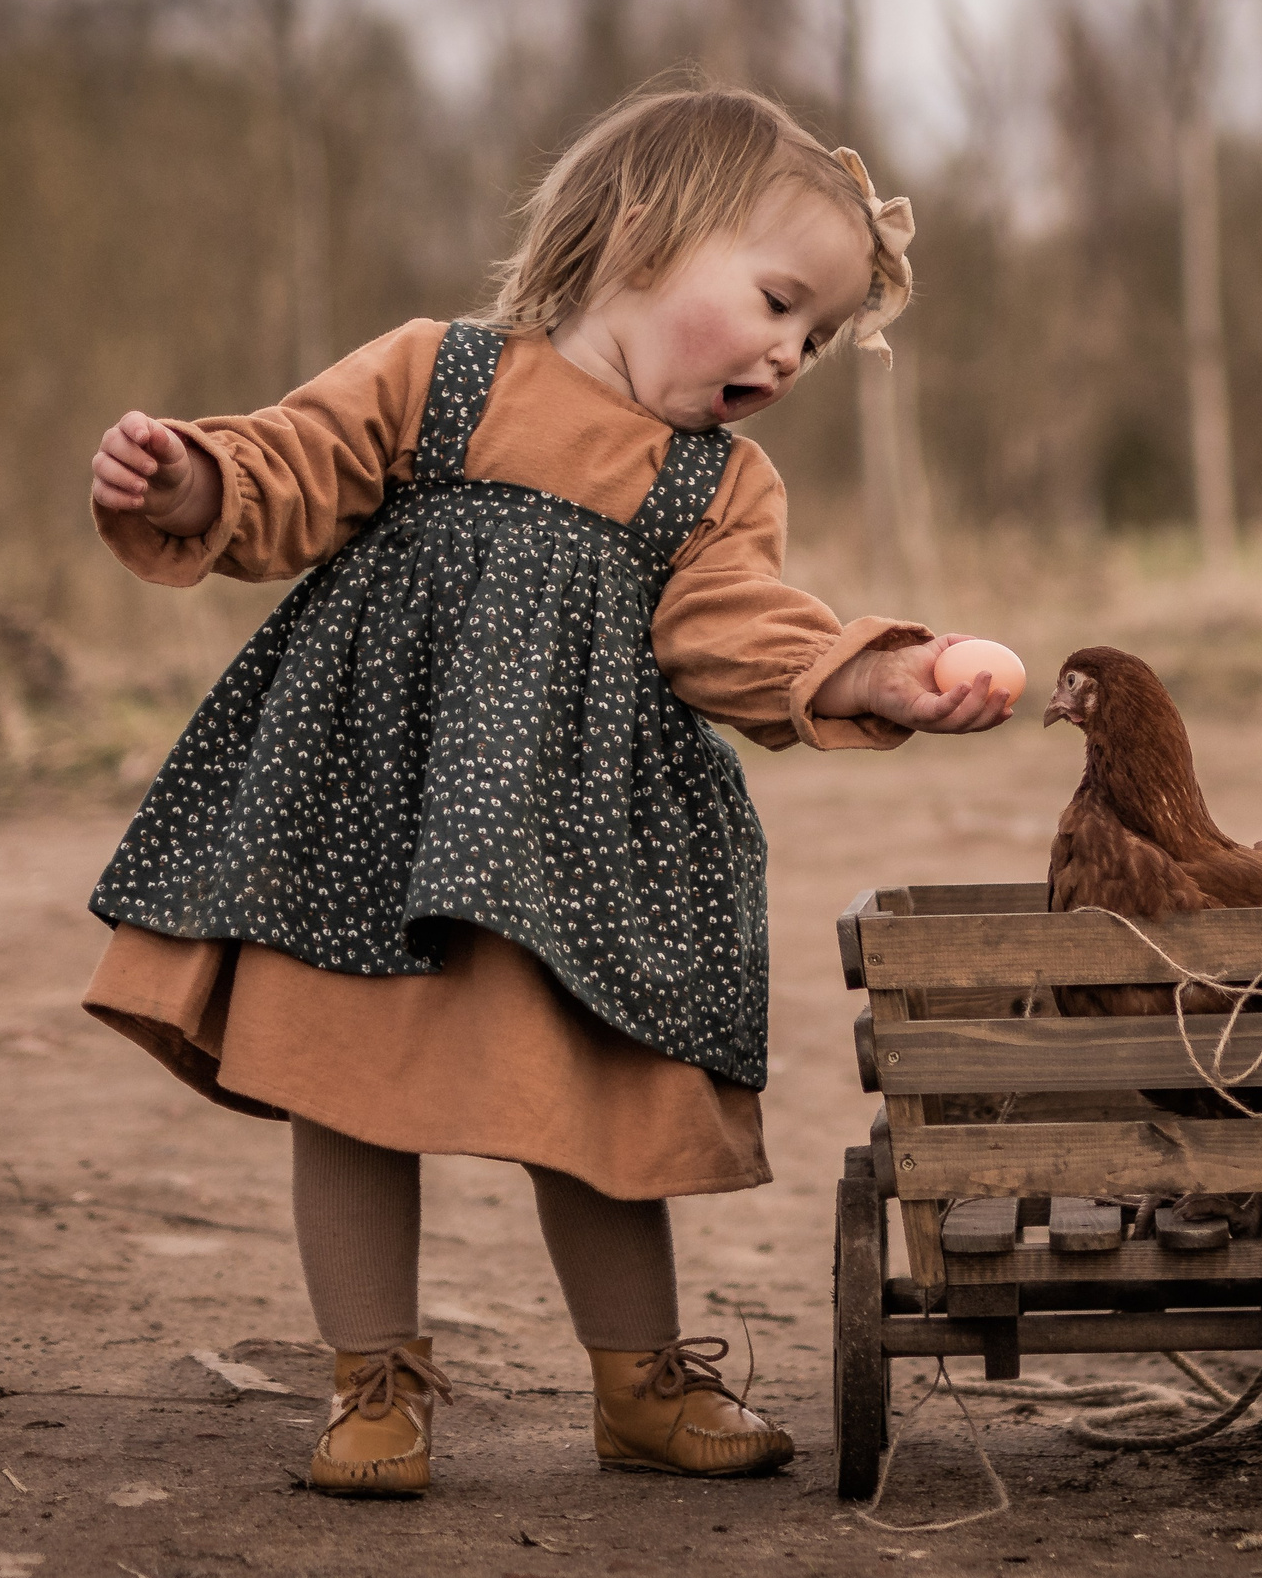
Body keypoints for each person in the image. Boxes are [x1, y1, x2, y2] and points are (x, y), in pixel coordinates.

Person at [78, 85, 1008, 1497]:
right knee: (347, 1073)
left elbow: (733, 626)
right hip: (376, 815)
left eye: (814, 332)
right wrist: (192, 478)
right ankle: (374, 1378)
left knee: (596, 1087)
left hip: (584, 839)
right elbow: (290, 470)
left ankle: (639, 1377)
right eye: (773, 299)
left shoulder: (715, 485)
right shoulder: (437, 376)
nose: (791, 348)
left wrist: (871, 670)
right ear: (643, 231)